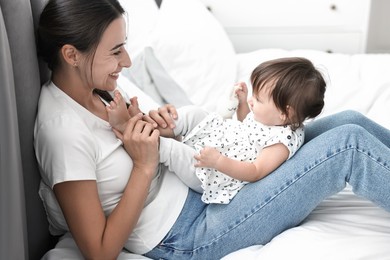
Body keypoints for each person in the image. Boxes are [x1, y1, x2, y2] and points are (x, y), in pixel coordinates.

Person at [34, 0, 390, 259]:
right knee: (349, 146)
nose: (126, 62)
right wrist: (145, 165)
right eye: (116, 52)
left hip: (207, 184)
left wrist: (163, 129)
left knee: (349, 121)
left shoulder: (102, 85)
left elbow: (147, 146)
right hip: (192, 232)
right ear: (71, 54)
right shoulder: (61, 132)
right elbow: (99, 251)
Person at [106, 57, 326, 204]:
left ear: (284, 114)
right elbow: (247, 125)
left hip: (215, 173)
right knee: (194, 113)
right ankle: (149, 123)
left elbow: (255, 171)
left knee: (175, 151)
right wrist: (241, 104)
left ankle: (133, 131)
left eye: (258, 99)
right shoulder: (274, 119)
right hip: (222, 142)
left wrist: (218, 162)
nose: (252, 100)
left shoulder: (281, 143)